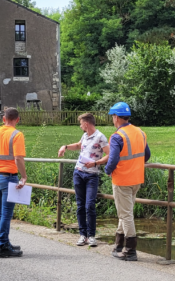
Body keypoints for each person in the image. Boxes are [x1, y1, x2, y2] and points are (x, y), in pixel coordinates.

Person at [105, 102, 151, 262]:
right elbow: (147, 155)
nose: (113, 119)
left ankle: (130, 250)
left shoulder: (117, 136)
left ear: (116, 117)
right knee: (125, 212)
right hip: (137, 179)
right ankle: (118, 246)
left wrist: (107, 170)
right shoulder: (140, 132)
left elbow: (113, 159)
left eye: (113, 116)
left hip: (122, 179)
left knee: (125, 214)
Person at [58, 113, 110, 247]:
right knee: (80, 205)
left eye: (81, 124)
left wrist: (95, 163)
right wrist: (65, 146)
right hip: (79, 173)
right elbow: (79, 145)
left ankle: (91, 235)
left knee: (90, 205)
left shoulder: (100, 137)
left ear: (86, 124)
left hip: (92, 175)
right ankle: (83, 235)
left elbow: (109, 155)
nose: (80, 126)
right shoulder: (85, 135)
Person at [0, 107, 27, 258]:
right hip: (8, 177)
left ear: (3, 119)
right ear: (17, 119)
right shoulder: (17, 135)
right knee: (6, 214)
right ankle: (3, 246)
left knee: (0, 212)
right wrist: (24, 177)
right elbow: (18, 158)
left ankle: (5, 242)